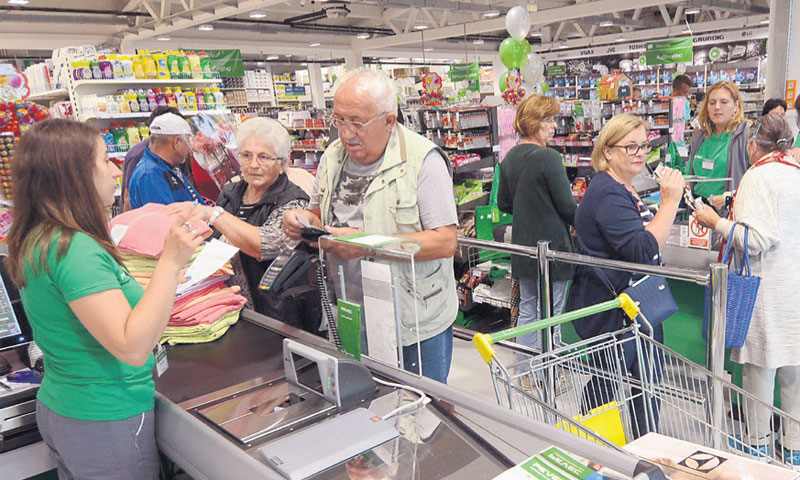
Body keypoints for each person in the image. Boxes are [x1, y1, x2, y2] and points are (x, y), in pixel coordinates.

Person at [6, 119, 203, 479]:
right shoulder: (73, 248)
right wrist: (170, 261)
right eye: (103, 161)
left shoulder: (39, 236)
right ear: (75, 175)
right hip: (104, 418)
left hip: (67, 409)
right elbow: (132, 346)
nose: (116, 170)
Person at [283, 68, 458, 383]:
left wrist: (367, 244)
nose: (346, 133)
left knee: (428, 412)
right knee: (368, 402)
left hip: (413, 319)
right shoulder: (332, 158)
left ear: (389, 120)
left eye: (357, 122)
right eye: (339, 120)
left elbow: (445, 241)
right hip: (350, 312)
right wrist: (304, 222)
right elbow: (319, 214)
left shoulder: (423, 162)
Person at [569, 114, 684, 438]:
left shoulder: (623, 188)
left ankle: (646, 445)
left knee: (644, 383)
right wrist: (670, 202)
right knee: (608, 383)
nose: (639, 153)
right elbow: (642, 249)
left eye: (643, 146)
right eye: (629, 146)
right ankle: (589, 448)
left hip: (637, 307)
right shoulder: (607, 191)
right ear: (607, 151)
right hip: (616, 311)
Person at [694, 113, 800, 461]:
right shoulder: (794, 172)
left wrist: (716, 222)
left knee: (759, 371)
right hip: (793, 290)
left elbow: (756, 239)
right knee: (793, 372)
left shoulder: (757, 176)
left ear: (754, 145)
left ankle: (757, 444)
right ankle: (793, 449)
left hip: (764, 290)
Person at [166, 117, 316, 329]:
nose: (253, 165)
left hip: (277, 315)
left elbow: (264, 245)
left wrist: (214, 215)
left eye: (264, 157)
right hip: (232, 311)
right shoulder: (231, 191)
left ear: (283, 163)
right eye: (246, 155)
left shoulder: (293, 201)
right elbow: (210, 239)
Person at [497, 95, 576, 359]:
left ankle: (525, 371)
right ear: (533, 122)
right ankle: (546, 372)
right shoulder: (549, 157)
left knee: (528, 309)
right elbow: (567, 207)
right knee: (550, 313)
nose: (554, 125)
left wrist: (530, 210)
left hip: (523, 247)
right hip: (553, 248)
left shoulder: (509, 158)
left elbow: (503, 203)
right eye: (548, 119)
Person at [688, 81, 750, 210]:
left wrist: (728, 198)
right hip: (698, 210)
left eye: (724, 102)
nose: (717, 107)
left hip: (727, 213)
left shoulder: (744, 136)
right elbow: (689, 173)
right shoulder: (699, 137)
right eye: (712, 102)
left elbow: (756, 181)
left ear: (736, 106)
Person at [119, 106, 195, 212]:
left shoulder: (166, 166)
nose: (189, 147)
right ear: (176, 142)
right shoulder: (150, 175)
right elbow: (167, 221)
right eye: (187, 141)